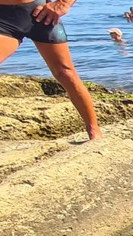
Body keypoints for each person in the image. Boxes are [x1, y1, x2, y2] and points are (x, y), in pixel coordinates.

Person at [0, 0, 102, 140]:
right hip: (5, 18)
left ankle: (94, 131)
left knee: (66, 73)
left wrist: (63, 3)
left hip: (42, 14)